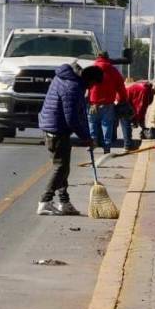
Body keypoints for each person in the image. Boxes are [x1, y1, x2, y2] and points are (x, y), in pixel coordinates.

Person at [38, 62, 103, 216]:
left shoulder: (67, 80)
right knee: (60, 167)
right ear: (90, 80)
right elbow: (72, 119)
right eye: (93, 85)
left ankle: (64, 202)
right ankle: (45, 201)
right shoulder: (72, 88)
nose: (92, 89)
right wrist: (87, 138)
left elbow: (79, 114)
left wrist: (87, 134)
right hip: (57, 130)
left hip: (53, 127)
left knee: (64, 168)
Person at [87, 52, 128, 153]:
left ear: (98, 57)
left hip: (93, 103)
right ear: (108, 58)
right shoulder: (113, 70)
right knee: (107, 125)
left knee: (92, 122)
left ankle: (93, 141)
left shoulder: (92, 69)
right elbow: (121, 86)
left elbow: (85, 84)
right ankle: (107, 146)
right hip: (108, 104)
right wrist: (122, 99)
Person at [123, 81, 155, 146]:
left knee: (131, 120)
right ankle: (128, 143)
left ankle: (126, 141)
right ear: (153, 90)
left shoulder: (148, 88)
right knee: (127, 121)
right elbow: (140, 110)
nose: (154, 94)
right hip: (124, 99)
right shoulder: (145, 92)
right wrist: (138, 122)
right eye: (154, 93)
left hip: (127, 99)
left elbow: (141, 109)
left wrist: (139, 122)